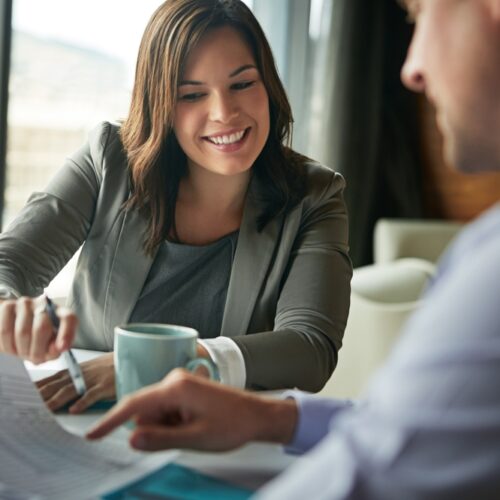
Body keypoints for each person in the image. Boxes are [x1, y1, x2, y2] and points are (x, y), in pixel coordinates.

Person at [87, 0, 500, 498]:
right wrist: (270, 417)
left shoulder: (483, 266)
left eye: (421, 16)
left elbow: (372, 459)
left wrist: (187, 361)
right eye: (191, 94)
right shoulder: (108, 158)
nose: (411, 69)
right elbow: (397, 426)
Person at [0, 0, 352, 413]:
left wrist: (149, 366)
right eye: (192, 95)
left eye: (242, 84)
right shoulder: (107, 159)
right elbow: (10, 263)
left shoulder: (315, 195)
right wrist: (11, 311)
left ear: (269, 86)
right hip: (83, 421)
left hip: (217, 440)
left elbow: (310, 350)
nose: (224, 112)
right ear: (161, 104)